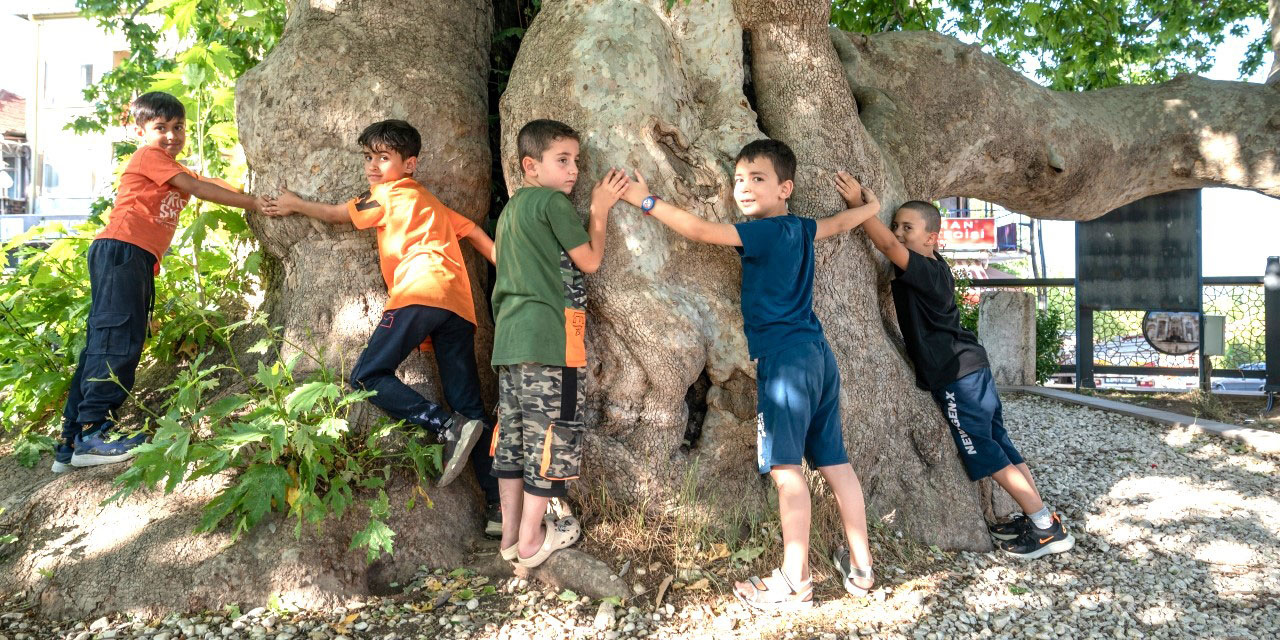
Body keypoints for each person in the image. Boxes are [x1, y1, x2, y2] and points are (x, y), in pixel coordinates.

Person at [621, 139, 881, 610]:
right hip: (818, 356)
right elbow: (843, 222)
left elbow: (700, 231)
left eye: (756, 179)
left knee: (786, 471)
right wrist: (872, 204)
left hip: (785, 363)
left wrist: (645, 200)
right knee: (835, 463)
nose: (743, 187)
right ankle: (861, 567)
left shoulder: (762, 231)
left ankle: (793, 579)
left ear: (786, 188)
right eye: (739, 179)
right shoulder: (802, 228)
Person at [267, 120, 498, 515]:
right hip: (458, 306)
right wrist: (507, 266)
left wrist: (295, 203)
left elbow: (339, 213)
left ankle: (442, 425)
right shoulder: (432, 203)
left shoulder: (387, 194)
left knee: (367, 375)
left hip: (419, 294)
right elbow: (474, 230)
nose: (373, 166)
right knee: (470, 407)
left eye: (384, 158)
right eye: (368, 157)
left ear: (409, 164)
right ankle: (498, 507)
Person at [54, 91, 270, 472]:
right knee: (116, 338)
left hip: (131, 256)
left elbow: (211, 183)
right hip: (122, 250)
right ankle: (92, 433)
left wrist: (256, 191)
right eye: (160, 128)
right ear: (140, 131)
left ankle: (71, 440)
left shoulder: (172, 165)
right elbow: (201, 189)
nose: (172, 135)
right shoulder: (149, 157)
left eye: (178, 127)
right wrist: (255, 204)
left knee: (103, 341)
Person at [854, 197, 1075, 559]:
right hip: (972, 367)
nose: (898, 233)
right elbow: (892, 243)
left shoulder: (924, 267)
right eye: (895, 224)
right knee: (1000, 444)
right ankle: (1038, 516)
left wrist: (860, 209)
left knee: (986, 450)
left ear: (932, 239)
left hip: (956, 375)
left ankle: (1045, 528)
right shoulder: (935, 265)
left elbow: (886, 245)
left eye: (908, 227)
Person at [489, 119, 628, 569]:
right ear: (531, 166)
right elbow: (589, 260)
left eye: (576, 162)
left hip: (510, 344)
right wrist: (600, 207)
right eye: (562, 160)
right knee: (554, 436)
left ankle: (510, 535)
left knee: (511, 437)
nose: (572, 170)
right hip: (551, 340)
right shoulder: (553, 202)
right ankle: (531, 542)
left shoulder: (512, 211)